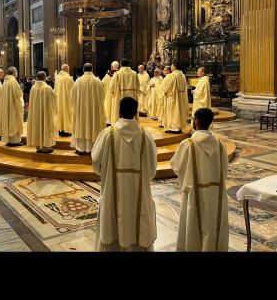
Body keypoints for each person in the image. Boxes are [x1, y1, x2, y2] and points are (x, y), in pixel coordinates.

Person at [92, 96, 158, 252]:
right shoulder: (146, 136)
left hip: (112, 191)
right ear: (136, 113)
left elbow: (96, 161)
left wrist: (108, 175)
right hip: (139, 192)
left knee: (112, 221)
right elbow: (152, 169)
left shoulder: (108, 134)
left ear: (119, 112)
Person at [170, 107, 229, 251]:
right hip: (215, 193)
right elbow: (224, 170)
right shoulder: (220, 145)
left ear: (196, 121)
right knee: (212, 224)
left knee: (194, 224)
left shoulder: (188, 144)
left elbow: (176, 166)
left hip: (193, 193)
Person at [70, 63, 105, 155]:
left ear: (83, 70)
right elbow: (103, 96)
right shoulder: (97, 81)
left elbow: (72, 95)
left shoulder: (78, 81)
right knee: (93, 126)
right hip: (93, 111)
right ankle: (93, 148)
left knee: (81, 126)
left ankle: (81, 148)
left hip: (81, 111)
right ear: (92, 69)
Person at [27, 71, 58, 153]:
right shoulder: (47, 88)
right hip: (45, 113)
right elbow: (54, 99)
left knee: (37, 127)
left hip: (35, 113)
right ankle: (45, 148)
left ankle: (38, 147)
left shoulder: (33, 87)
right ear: (44, 77)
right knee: (45, 127)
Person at [110, 58, 140, 124]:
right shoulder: (134, 73)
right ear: (128, 64)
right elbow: (138, 86)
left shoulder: (117, 74)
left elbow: (112, 86)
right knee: (131, 112)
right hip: (132, 97)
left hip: (120, 97)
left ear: (120, 64)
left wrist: (113, 93)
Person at [161, 62, 189, 134]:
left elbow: (166, 87)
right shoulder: (182, 75)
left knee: (173, 112)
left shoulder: (172, 76)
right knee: (180, 112)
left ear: (174, 67)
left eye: (171, 66)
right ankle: (179, 127)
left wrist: (164, 92)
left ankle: (174, 128)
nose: (171, 67)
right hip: (181, 97)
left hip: (173, 97)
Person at [0, 66, 24, 146]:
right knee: (14, 122)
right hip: (13, 106)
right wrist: (21, 94)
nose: (17, 72)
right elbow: (18, 95)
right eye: (16, 71)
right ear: (13, 72)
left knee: (9, 122)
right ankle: (14, 141)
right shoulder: (13, 82)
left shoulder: (5, 81)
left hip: (7, 106)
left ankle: (9, 140)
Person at [54, 64, 74, 137]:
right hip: (67, 100)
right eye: (68, 69)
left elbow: (55, 89)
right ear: (66, 69)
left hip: (58, 100)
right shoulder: (68, 78)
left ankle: (60, 130)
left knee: (59, 115)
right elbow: (73, 89)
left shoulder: (57, 78)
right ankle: (66, 130)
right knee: (67, 114)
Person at [102, 61, 119, 126]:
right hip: (116, 95)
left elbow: (102, 84)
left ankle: (108, 121)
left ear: (111, 67)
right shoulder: (119, 74)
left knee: (108, 107)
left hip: (108, 95)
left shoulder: (107, 76)